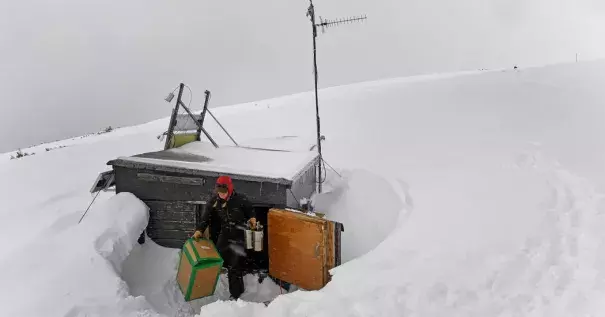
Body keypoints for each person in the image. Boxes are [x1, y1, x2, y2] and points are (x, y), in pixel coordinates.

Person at [192, 175, 256, 300]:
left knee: (235, 265)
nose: (221, 195)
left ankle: (236, 293)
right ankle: (208, 286)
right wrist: (199, 230)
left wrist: (252, 218)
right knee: (216, 257)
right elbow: (205, 217)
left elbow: (250, 210)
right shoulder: (214, 201)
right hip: (225, 232)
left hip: (239, 233)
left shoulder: (240, 199)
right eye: (219, 192)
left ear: (230, 189)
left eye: (224, 192)